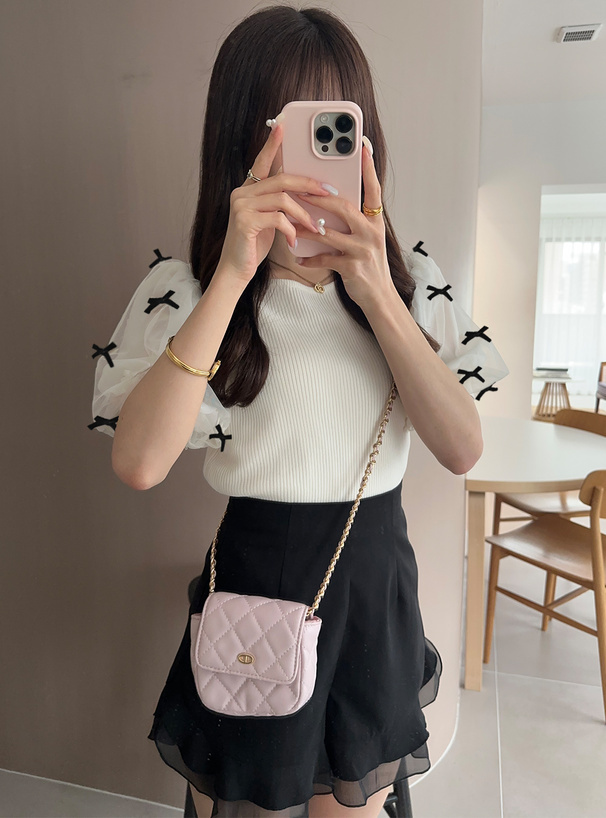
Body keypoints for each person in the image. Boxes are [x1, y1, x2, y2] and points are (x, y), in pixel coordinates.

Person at [91, 6, 509, 817]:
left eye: (336, 127)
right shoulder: (189, 289)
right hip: (254, 580)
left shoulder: (410, 286)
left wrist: (376, 289)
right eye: (290, 127)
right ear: (243, 140)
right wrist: (231, 274)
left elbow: (463, 449)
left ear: (364, 140)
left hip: (371, 584)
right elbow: (137, 464)